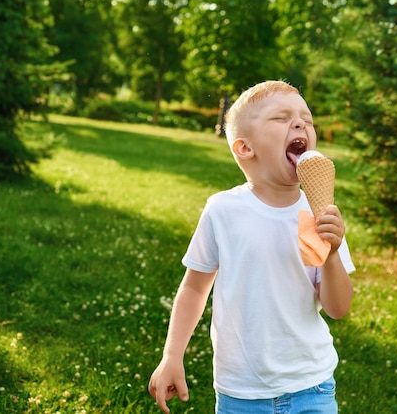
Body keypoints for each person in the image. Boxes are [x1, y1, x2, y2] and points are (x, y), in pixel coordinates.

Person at [148, 80, 355, 414]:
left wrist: (331, 255)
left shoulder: (318, 213)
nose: (301, 123)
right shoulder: (223, 210)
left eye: (306, 118)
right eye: (281, 117)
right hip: (240, 392)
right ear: (245, 148)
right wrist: (172, 355)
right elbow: (194, 288)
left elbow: (338, 308)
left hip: (311, 385)